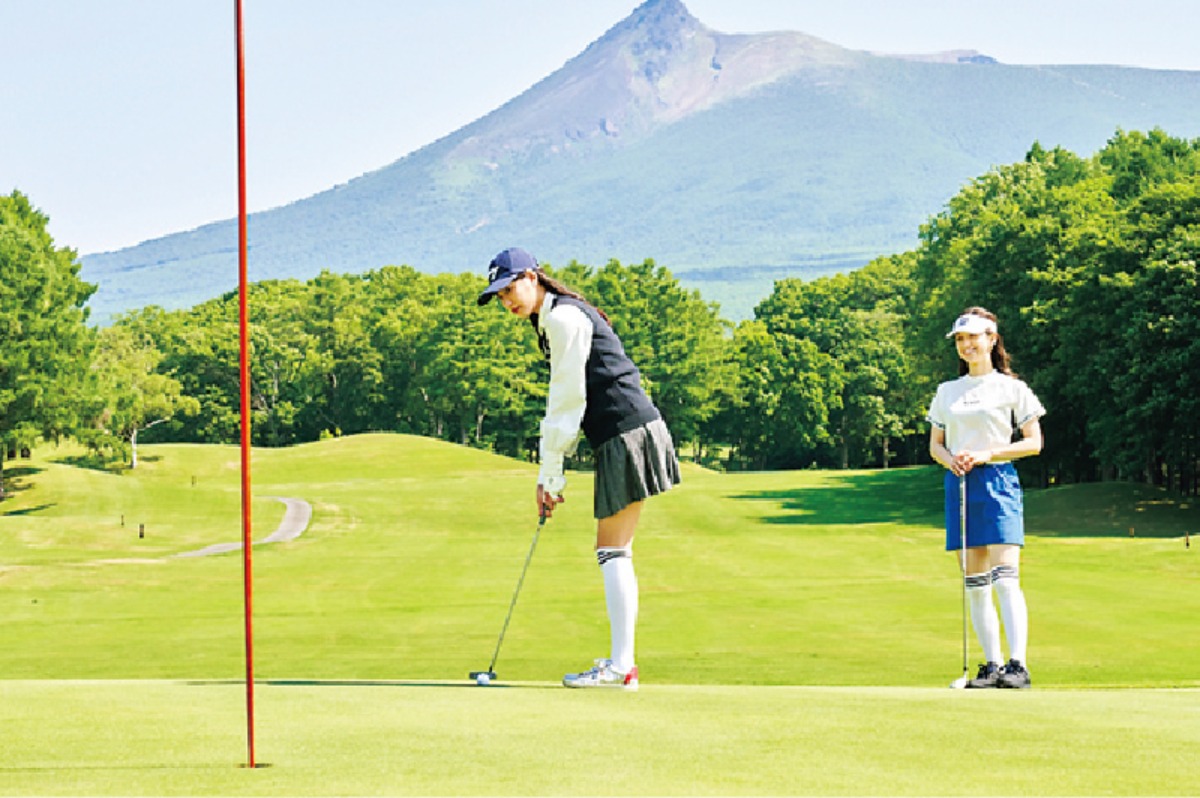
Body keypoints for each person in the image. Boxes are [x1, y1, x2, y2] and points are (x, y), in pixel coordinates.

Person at [477, 247, 681, 691]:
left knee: (612, 550)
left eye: (510, 289)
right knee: (614, 550)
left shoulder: (563, 319)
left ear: (533, 277)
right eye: (500, 296)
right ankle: (622, 664)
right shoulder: (555, 317)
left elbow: (567, 402)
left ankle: (621, 665)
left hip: (626, 431)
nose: (507, 301)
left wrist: (550, 476)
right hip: (627, 430)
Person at [927, 307, 1046, 689]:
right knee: (975, 581)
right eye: (961, 340)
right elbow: (936, 445)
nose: (967, 345)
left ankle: (1018, 665)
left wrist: (985, 454)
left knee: (1006, 578)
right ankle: (992, 665)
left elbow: (1033, 443)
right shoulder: (947, 391)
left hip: (998, 481)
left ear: (992, 340)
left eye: (974, 338)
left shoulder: (1012, 388)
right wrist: (952, 461)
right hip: (960, 484)